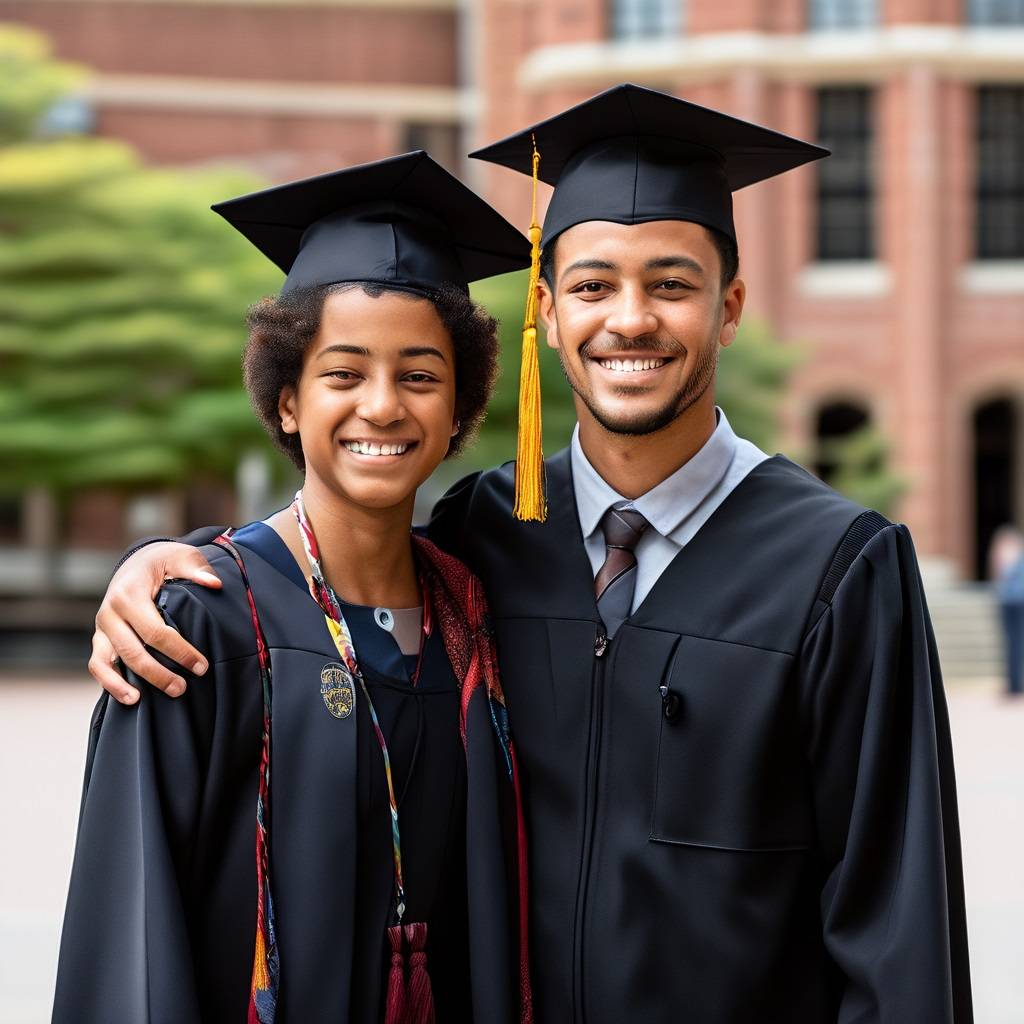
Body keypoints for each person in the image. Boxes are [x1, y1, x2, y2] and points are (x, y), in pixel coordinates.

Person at [88, 85, 972, 1022]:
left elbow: (896, 928)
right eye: (593, 285)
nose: (629, 319)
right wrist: (174, 563)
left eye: (671, 284)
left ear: (730, 307)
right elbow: (330, 564)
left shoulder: (838, 568)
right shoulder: (486, 534)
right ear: (547, 312)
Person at [54, 151, 534, 1024]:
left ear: (459, 404)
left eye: (419, 375)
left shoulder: (477, 609)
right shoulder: (195, 625)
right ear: (286, 400)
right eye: (343, 374)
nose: (382, 406)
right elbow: (132, 935)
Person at [989, 524, 1024, 697]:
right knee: (1010, 644)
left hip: (1018, 603)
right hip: (1006, 601)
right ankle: (1012, 683)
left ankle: (1016, 684)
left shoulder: (1017, 558)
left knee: (1017, 644)